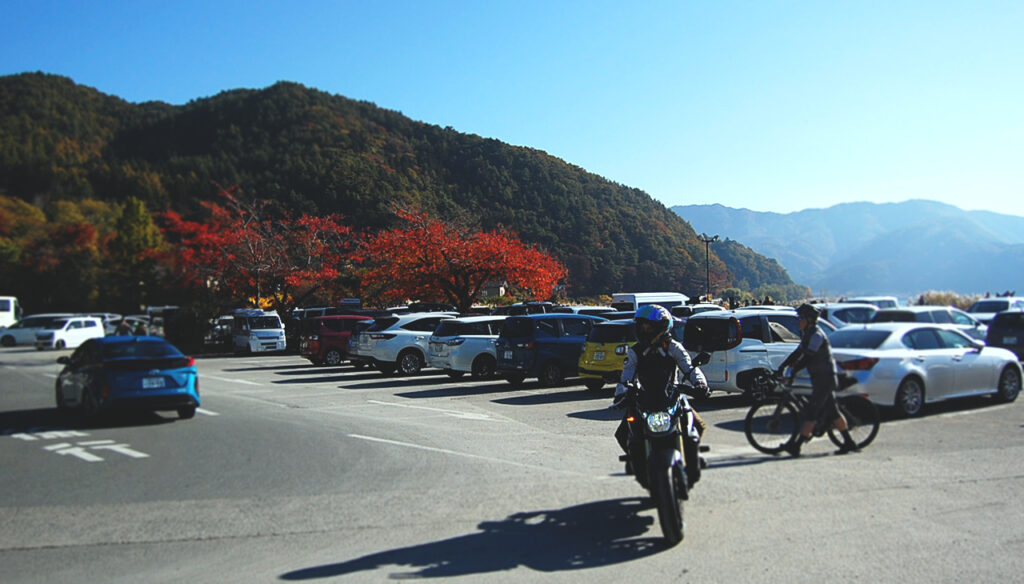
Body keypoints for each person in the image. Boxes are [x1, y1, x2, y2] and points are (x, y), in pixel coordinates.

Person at [612, 304, 710, 486]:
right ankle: (637, 463)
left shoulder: (673, 347)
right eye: (641, 325)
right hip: (644, 399)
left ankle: (693, 459)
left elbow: (689, 368)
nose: (643, 330)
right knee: (622, 434)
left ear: (661, 326)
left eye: (648, 326)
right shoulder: (636, 351)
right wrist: (621, 394)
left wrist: (700, 384)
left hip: (673, 397)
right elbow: (626, 375)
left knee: (698, 426)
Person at [777, 303, 859, 456]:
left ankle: (796, 446)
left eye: (800, 318)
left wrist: (794, 370)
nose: (798, 322)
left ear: (809, 320)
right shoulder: (808, 334)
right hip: (819, 378)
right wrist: (783, 365)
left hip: (825, 379)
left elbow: (808, 356)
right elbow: (797, 353)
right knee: (833, 413)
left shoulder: (816, 335)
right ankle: (849, 442)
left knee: (812, 413)